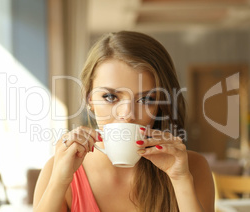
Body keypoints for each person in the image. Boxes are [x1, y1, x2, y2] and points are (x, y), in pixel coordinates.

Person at [33, 31, 215, 212]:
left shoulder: (192, 168)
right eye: (110, 96)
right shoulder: (57, 171)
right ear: (89, 99)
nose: (127, 114)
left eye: (146, 99)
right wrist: (59, 182)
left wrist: (180, 180)